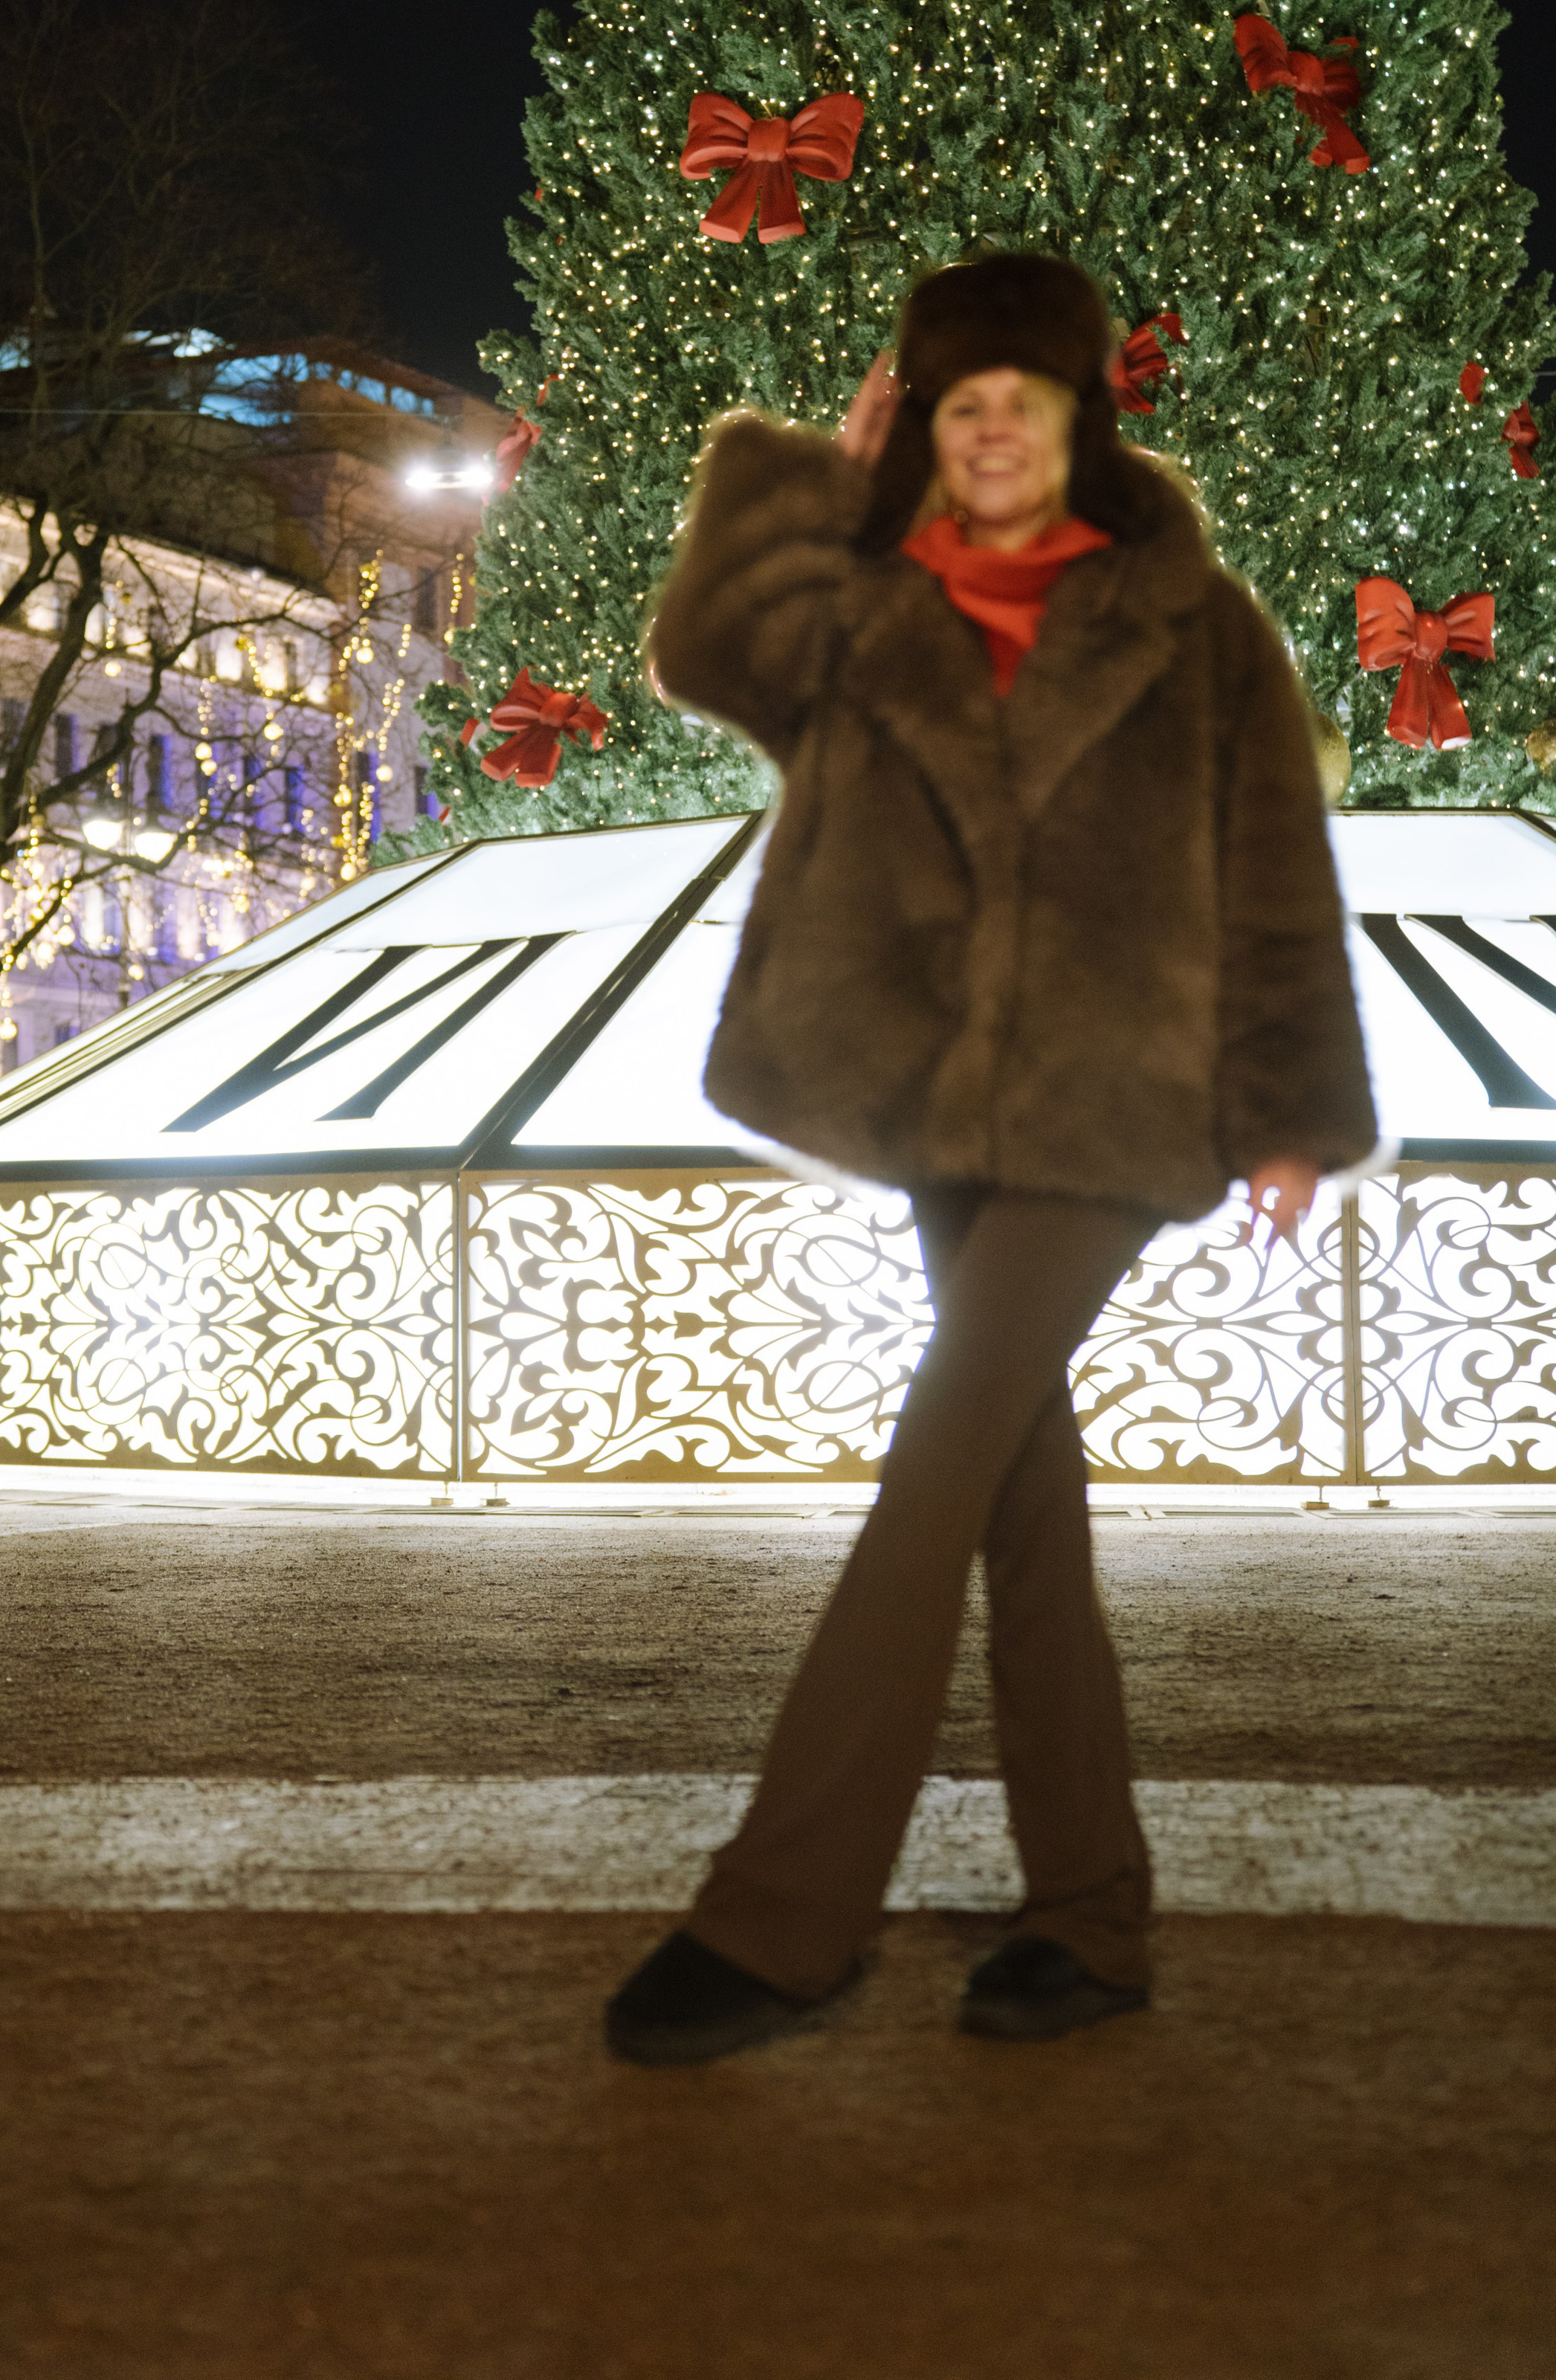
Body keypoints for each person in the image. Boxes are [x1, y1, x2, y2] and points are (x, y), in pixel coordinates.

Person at [607, 253, 1375, 2063]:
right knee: (1022, 1508)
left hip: (1115, 1113)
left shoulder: (1190, 622)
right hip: (933, 1102)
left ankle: (780, 1917)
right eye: (959, 405)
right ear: (928, 435)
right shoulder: (866, 602)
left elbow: (1273, 868)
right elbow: (705, 651)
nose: (994, 429)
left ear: (1074, 422)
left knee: (928, 1480)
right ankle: (1090, 1912)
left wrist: (1282, 1109)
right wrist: (810, 475)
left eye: (1021, 399)